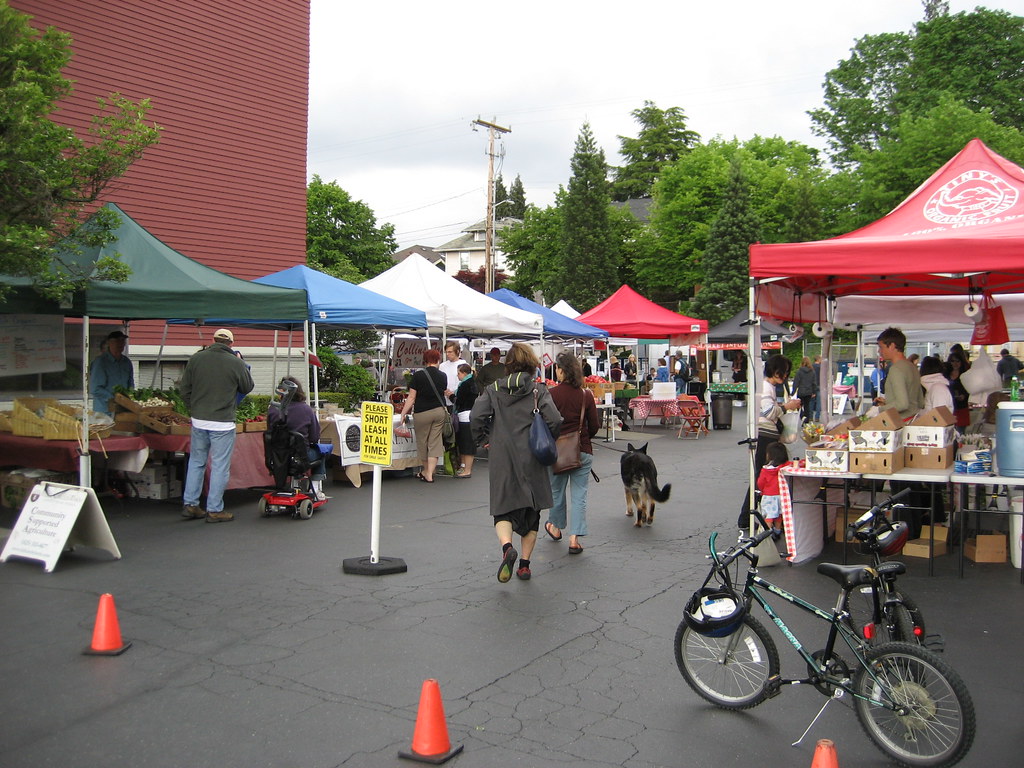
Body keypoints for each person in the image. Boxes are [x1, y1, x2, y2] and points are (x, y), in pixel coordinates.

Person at [470, 342, 562, 583]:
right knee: (532, 514)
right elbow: (555, 420)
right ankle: (524, 565)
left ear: (508, 364)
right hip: (532, 456)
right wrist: (548, 438)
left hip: (502, 456)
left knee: (502, 508)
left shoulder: (492, 389)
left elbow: (476, 417)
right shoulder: (538, 390)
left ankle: (506, 547)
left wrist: (485, 439)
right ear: (531, 364)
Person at [180, 329, 254, 523]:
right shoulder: (235, 362)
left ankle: (191, 504)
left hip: (199, 419)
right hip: (222, 421)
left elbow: (184, 389)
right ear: (231, 343)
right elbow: (247, 387)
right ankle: (214, 509)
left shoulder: (196, 359)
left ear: (213, 341)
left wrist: (193, 408)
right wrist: (242, 364)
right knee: (220, 465)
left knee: (197, 462)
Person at [544, 352, 600, 555]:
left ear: (561, 370)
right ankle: (574, 538)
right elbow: (594, 425)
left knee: (556, 492)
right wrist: (582, 437)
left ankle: (555, 527)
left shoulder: (551, 394)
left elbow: (545, 424)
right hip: (582, 450)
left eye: (557, 368)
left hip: (557, 451)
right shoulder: (586, 395)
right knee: (579, 496)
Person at [738, 354, 800, 529]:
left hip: (767, 435)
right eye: (785, 372)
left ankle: (749, 517)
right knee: (761, 477)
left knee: (761, 477)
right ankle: (745, 518)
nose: (786, 376)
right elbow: (769, 412)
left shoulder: (769, 387)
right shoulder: (766, 388)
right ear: (776, 370)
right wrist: (787, 407)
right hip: (764, 436)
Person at [266, 376, 327, 500]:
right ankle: (315, 488)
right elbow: (315, 437)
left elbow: (270, 433)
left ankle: (296, 483)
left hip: (277, 457)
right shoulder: (306, 409)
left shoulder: (272, 410)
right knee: (321, 452)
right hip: (299, 456)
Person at [396, 348, 449, 483]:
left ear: (425, 360)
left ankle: (426, 472)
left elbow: (411, 398)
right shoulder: (443, 376)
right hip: (439, 411)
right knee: (435, 443)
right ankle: (430, 473)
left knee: (423, 442)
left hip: (422, 412)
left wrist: (403, 413)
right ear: (438, 360)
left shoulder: (418, 376)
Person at [875, 328, 923, 420]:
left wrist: (879, 410)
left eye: (881, 347)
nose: (879, 351)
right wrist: (889, 402)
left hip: (901, 423)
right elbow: (920, 402)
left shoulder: (896, 369)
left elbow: (902, 404)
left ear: (892, 346)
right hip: (914, 420)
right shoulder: (912, 367)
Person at [89, 330, 134, 414]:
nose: (120, 344)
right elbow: (95, 389)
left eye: (122, 341)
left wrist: (130, 398)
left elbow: (130, 384)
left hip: (122, 409)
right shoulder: (100, 362)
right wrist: (115, 398)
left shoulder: (127, 362)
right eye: (117, 341)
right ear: (109, 343)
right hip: (104, 411)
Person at [453, 363, 479, 478]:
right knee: (464, 443)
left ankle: (467, 470)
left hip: (465, 415)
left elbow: (459, 401)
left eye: (458, 373)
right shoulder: (470, 383)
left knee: (467, 443)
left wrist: (451, 396)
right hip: (466, 415)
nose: (457, 376)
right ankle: (463, 466)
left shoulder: (466, 385)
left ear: (464, 373)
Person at [756, 441, 790, 531]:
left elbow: (760, 482)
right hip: (782, 495)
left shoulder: (766, 469)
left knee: (769, 516)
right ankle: (778, 530)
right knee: (779, 514)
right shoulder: (786, 466)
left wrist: (762, 491)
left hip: (769, 496)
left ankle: (767, 532)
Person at [945, 346, 971, 430]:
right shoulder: (945, 374)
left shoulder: (966, 375)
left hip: (961, 408)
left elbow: (970, 390)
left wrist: (964, 395)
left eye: (957, 361)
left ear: (961, 362)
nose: (955, 363)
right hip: (948, 408)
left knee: (960, 433)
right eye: (952, 361)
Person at [791, 356, 817, 422]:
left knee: (799, 405)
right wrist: (814, 392)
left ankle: (802, 417)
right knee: (807, 406)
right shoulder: (812, 372)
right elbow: (814, 383)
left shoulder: (799, 371)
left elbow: (796, 382)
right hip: (809, 391)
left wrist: (793, 392)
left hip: (801, 391)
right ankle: (807, 420)